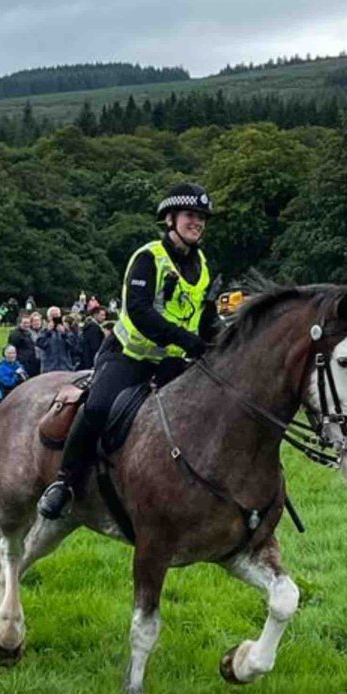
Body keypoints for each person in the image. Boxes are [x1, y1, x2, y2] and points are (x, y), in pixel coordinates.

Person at [38, 180, 219, 520]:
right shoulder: (149, 258)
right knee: (98, 407)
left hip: (173, 362)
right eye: (190, 215)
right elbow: (139, 311)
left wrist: (216, 340)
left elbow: (203, 317)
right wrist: (186, 341)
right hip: (128, 357)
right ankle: (65, 483)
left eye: (202, 217)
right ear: (170, 219)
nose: (198, 222)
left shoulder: (203, 265)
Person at [38, 306, 78, 374]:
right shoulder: (43, 330)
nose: (55, 318)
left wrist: (64, 334)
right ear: (48, 318)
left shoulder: (66, 330)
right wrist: (48, 332)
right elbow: (40, 344)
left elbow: (73, 345)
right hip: (49, 368)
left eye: (57, 315)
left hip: (65, 368)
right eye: (53, 316)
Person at [8, 312, 40, 378]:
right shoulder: (15, 335)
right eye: (24, 323)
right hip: (23, 364)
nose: (26, 325)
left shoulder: (28, 333)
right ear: (20, 323)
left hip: (32, 364)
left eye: (28, 323)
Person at [80, 304, 107, 369]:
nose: (104, 317)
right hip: (91, 362)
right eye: (102, 315)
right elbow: (95, 347)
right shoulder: (94, 329)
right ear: (95, 315)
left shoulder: (90, 327)